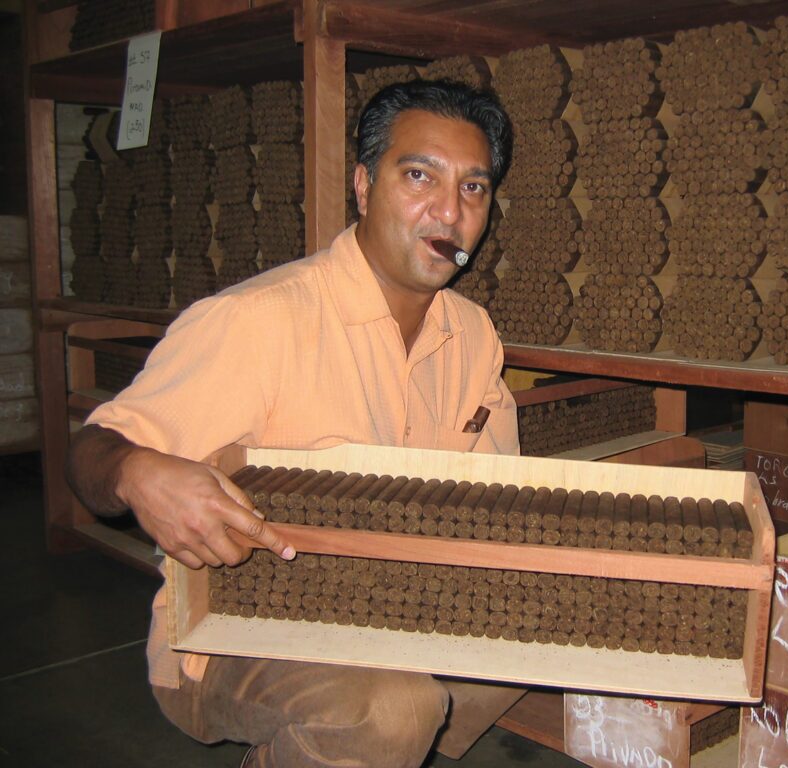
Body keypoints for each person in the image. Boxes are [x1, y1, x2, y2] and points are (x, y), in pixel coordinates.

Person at [67, 80, 522, 768]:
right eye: (420, 176)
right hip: (243, 630)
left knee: (590, 632)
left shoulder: (473, 336)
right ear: (364, 187)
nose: (450, 213)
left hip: (407, 609)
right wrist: (134, 473)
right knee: (393, 710)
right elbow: (90, 456)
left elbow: (499, 506)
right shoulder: (257, 321)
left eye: (474, 189)